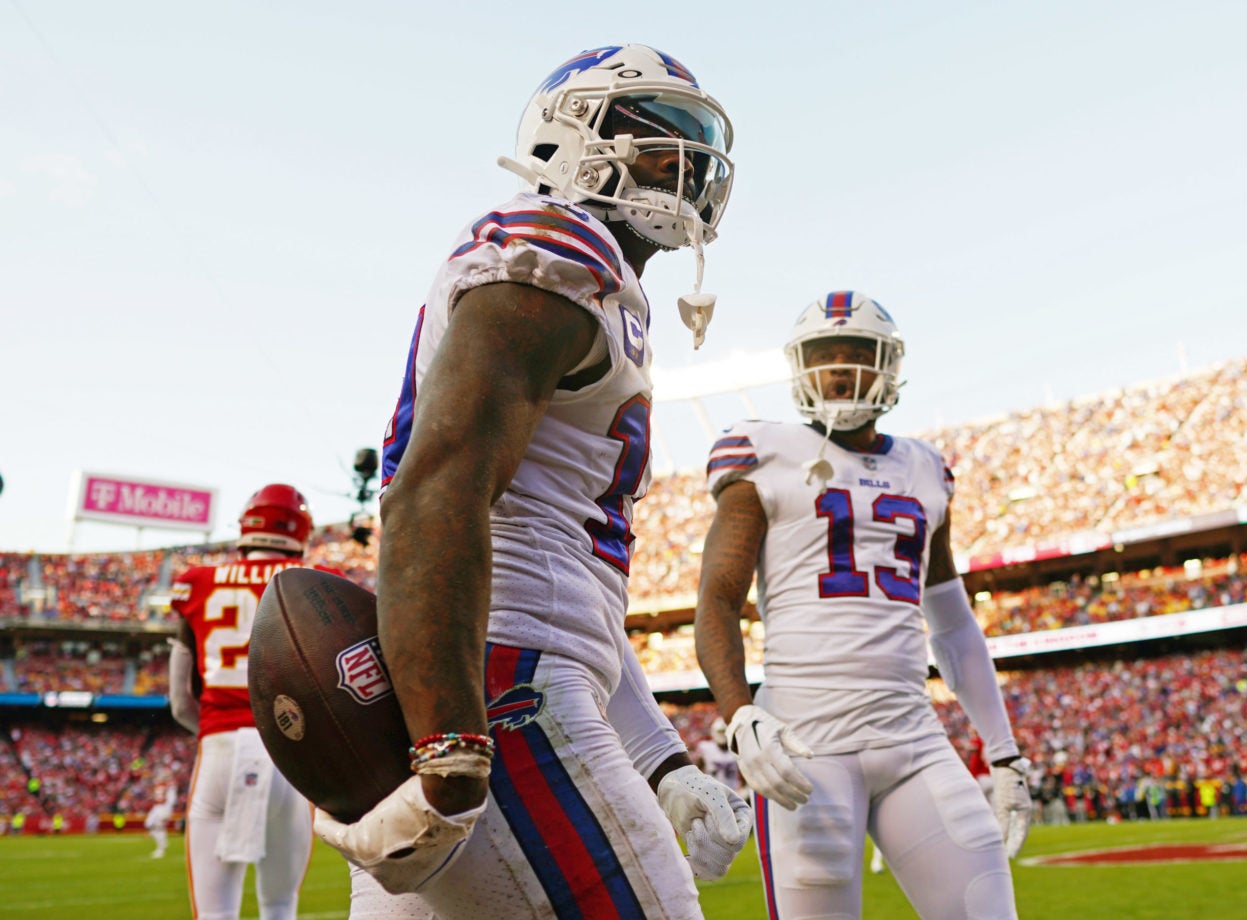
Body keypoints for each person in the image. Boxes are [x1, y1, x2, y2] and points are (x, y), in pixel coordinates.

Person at [315, 44, 750, 920]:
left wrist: (659, 757)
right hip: (498, 695)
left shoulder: (602, 287)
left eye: (691, 142)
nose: (680, 162)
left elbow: (566, 584)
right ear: (566, 140)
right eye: (655, 135)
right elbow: (436, 491)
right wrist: (449, 745)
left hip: (503, 670)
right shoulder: (554, 247)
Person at [694, 291, 1033, 919]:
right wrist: (741, 717)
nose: (843, 370)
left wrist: (1003, 746)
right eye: (827, 357)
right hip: (804, 747)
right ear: (802, 369)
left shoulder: (926, 470)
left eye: (859, 355)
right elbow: (717, 599)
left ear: (890, 368)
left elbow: (953, 621)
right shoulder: (763, 453)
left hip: (914, 738)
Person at [169, 484, 321, 920]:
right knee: (279, 906)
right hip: (289, 754)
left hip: (219, 748)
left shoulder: (197, 583)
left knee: (214, 914)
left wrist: (219, 729)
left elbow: (180, 700)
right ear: (300, 531)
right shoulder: (315, 580)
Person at [696, 716, 743, 792]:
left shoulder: (736, 749)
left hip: (733, 791)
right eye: (720, 732)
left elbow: (743, 775)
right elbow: (696, 770)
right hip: (712, 791)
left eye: (724, 731)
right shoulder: (706, 748)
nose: (722, 735)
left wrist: (743, 788)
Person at [145, 782, 178, 857]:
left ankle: (161, 849)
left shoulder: (170, 788)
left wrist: (167, 811)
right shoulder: (161, 785)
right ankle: (162, 845)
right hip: (158, 808)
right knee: (149, 825)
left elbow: (171, 800)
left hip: (163, 808)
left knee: (158, 827)